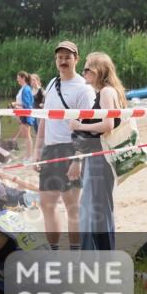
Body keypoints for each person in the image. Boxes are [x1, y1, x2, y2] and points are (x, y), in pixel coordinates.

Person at [35, 41, 93, 250]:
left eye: (68, 57)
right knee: (47, 205)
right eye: (60, 57)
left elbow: (88, 128)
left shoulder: (84, 88)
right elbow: (44, 119)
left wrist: (78, 159)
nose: (63, 61)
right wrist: (37, 151)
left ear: (76, 59)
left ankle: (76, 252)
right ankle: (54, 251)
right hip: (50, 150)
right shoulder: (51, 84)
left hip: (72, 149)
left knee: (72, 207)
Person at [68, 52, 125, 251]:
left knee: (99, 210)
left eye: (86, 68)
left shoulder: (107, 92)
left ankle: (104, 256)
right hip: (98, 157)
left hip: (101, 158)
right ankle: (98, 255)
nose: (83, 72)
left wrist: (79, 126)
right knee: (95, 208)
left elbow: (108, 124)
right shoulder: (105, 92)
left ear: (98, 71)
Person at [12, 72, 35, 161]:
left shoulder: (26, 89)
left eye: (18, 78)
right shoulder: (23, 88)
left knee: (27, 135)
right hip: (21, 114)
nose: (17, 79)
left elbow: (27, 104)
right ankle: (27, 155)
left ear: (23, 78)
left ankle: (29, 156)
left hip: (25, 115)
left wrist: (15, 104)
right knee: (25, 135)